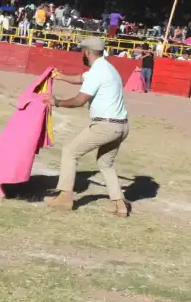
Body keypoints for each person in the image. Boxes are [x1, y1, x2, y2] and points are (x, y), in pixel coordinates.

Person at [44, 36, 130, 218]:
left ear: (87, 52)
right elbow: (81, 78)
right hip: (122, 126)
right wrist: (61, 77)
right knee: (105, 163)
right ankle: (120, 205)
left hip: (105, 126)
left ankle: (65, 197)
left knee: (70, 151)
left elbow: (79, 100)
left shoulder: (97, 72)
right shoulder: (107, 68)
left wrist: (56, 101)